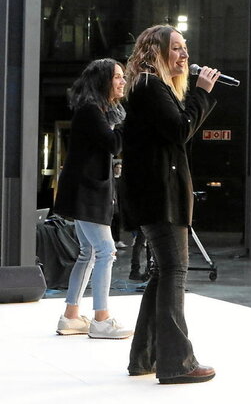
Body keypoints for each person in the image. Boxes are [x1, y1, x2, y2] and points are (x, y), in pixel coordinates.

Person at [122, 24, 219, 384]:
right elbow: (180, 130)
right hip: (159, 199)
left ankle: (144, 357)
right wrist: (203, 93)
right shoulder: (149, 85)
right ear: (156, 51)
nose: (185, 55)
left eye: (185, 47)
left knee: (163, 274)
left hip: (157, 197)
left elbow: (174, 134)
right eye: (176, 48)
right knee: (174, 272)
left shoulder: (151, 87)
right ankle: (178, 362)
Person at [53, 58, 133, 339]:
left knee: (88, 253)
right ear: (103, 81)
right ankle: (101, 319)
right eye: (118, 77)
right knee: (105, 251)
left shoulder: (98, 111)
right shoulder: (90, 111)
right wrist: (130, 122)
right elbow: (114, 143)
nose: (123, 82)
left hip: (87, 192)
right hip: (86, 193)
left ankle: (71, 317)